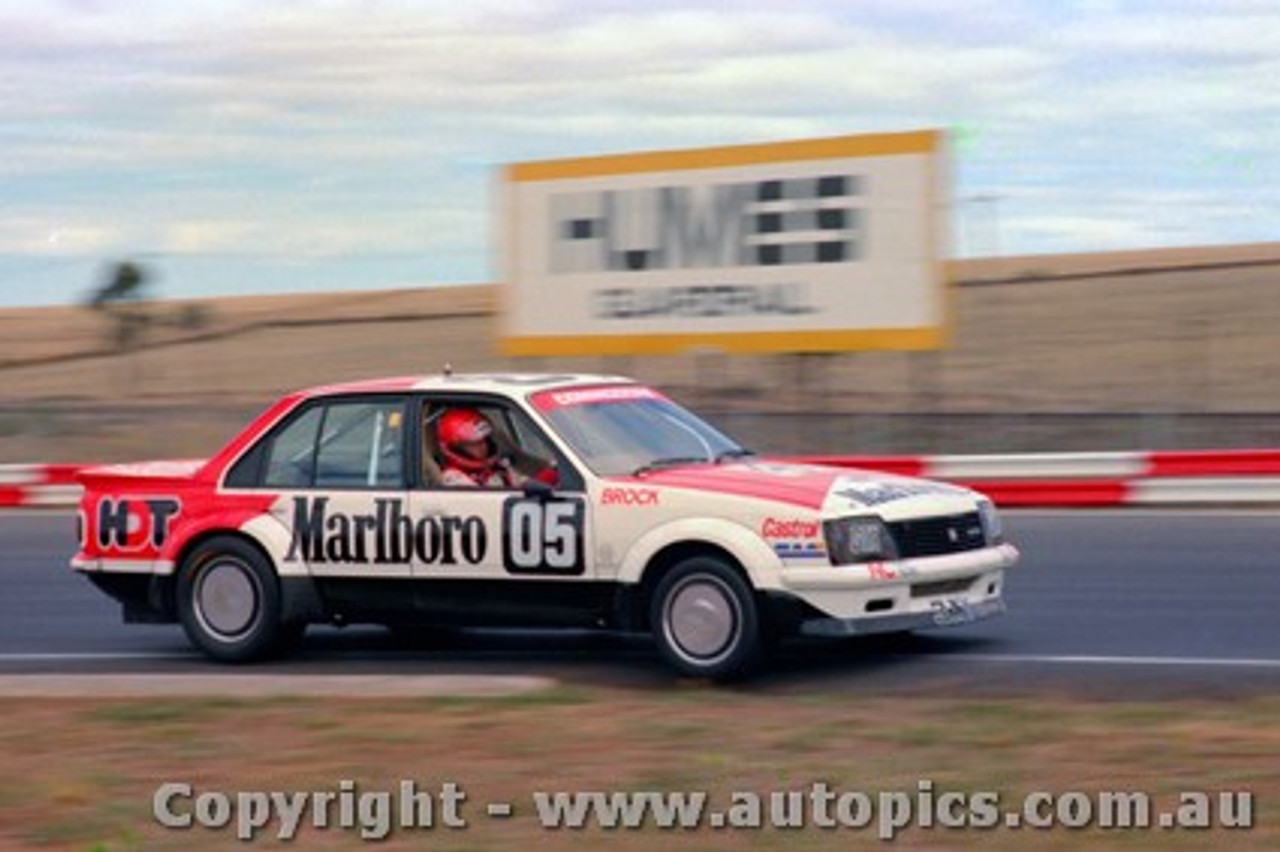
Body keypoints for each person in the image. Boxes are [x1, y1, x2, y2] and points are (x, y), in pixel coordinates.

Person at [437, 408, 527, 487]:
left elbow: (521, 483)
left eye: (485, 440)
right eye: (475, 444)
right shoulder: (453, 478)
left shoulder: (495, 466)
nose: (484, 446)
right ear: (457, 448)